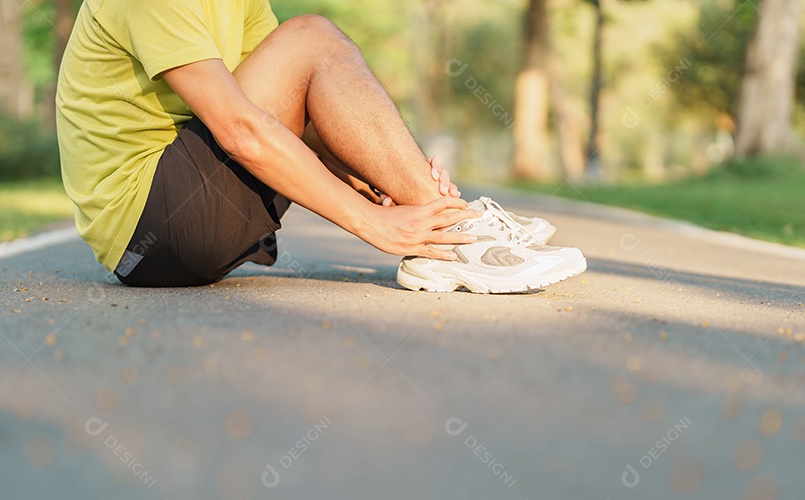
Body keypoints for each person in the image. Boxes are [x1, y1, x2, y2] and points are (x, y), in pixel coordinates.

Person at [56, 0, 586, 294]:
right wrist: (374, 223)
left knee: (310, 45)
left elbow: (297, 104)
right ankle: (455, 236)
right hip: (152, 227)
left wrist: (391, 189)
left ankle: (443, 227)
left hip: (175, 223)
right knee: (310, 36)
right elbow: (241, 129)